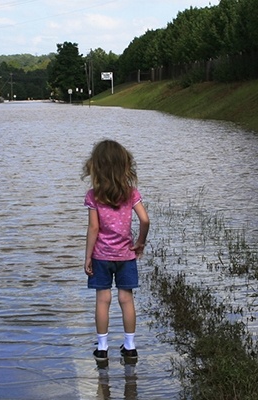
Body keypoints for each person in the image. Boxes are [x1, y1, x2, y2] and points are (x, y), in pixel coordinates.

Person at [82, 139, 150, 361]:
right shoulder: (131, 194)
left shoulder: (94, 195)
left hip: (101, 256)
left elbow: (94, 228)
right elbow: (145, 220)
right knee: (126, 299)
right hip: (126, 255)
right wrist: (140, 242)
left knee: (103, 300)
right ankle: (129, 345)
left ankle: (102, 348)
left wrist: (88, 257)